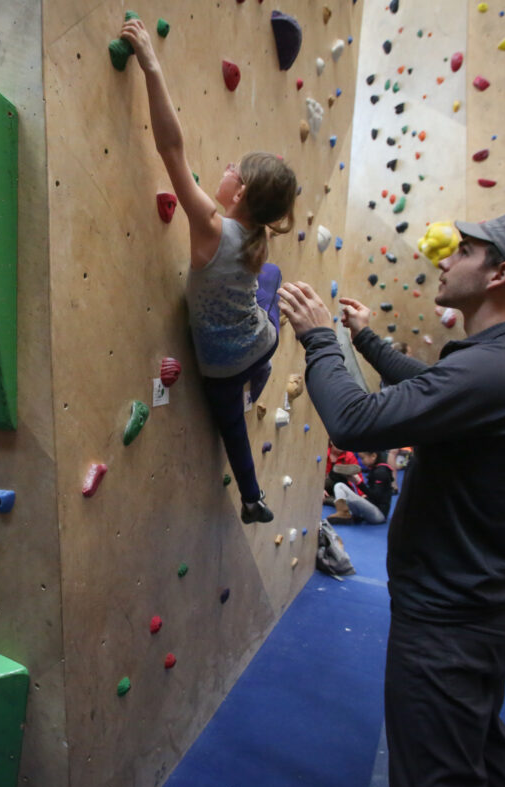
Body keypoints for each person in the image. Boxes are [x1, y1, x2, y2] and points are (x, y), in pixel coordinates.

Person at [279, 210, 505, 787]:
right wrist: (365, 340)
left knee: (436, 783)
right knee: (475, 760)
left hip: (450, 620)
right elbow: (433, 389)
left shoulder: (496, 368)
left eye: (463, 251)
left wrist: (319, 339)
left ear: (501, 273)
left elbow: (355, 420)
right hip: (480, 606)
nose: (446, 259)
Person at [121, 18, 297, 525]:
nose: (223, 169)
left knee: (230, 425)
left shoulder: (211, 227)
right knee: (272, 278)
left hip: (218, 366)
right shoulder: (257, 236)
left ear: (238, 194)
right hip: (257, 347)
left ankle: (252, 494)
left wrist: (152, 66)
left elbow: (171, 149)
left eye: (231, 171)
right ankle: (252, 497)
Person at [328, 450, 394, 526]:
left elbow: (376, 497)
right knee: (339, 485)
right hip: (372, 508)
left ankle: (345, 513)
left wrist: (359, 483)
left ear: (373, 456)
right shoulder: (376, 469)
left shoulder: (381, 472)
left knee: (349, 498)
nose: (361, 462)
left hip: (379, 515)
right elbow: (374, 494)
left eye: (363, 458)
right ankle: (343, 512)